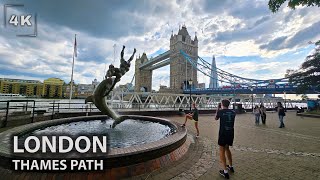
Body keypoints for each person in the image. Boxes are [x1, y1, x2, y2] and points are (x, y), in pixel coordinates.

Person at [215, 99, 236, 179]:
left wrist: (218, 108)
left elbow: (216, 118)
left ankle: (225, 171)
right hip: (231, 133)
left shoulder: (220, 112)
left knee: (221, 150)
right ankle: (231, 166)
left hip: (223, 134)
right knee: (227, 148)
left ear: (222, 104)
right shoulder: (233, 112)